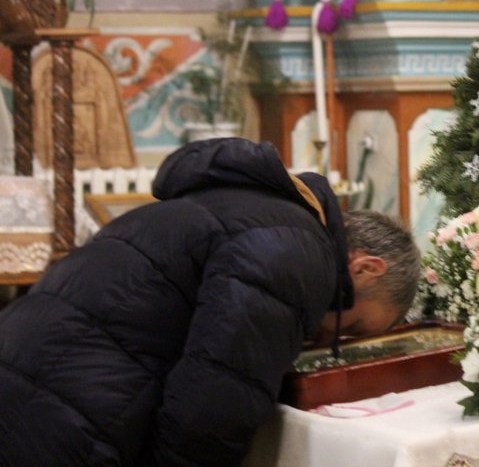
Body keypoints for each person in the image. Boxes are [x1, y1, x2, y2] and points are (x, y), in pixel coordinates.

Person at [0, 137, 420, 466]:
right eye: (353, 326)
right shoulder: (296, 252)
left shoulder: (257, 209)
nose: (331, 338)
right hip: (68, 413)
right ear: (366, 268)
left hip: (25, 359)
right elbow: (214, 407)